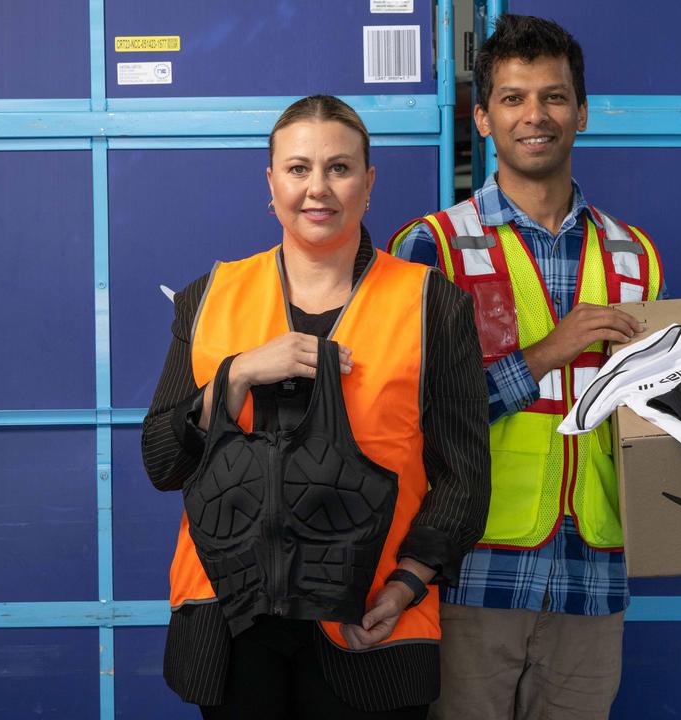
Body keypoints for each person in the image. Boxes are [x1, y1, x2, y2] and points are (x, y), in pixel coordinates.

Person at [142, 94, 490, 719]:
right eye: (298, 168)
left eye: (339, 167)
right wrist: (238, 374)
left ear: (368, 182)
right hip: (231, 627)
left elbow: (464, 471)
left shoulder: (432, 304)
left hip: (370, 619)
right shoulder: (207, 298)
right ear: (270, 183)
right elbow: (162, 460)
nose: (318, 188)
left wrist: (409, 583)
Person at [388, 14, 665, 720]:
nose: (534, 115)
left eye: (554, 96)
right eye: (512, 98)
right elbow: (407, 417)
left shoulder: (636, 255)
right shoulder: (433, 247)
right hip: (472, 571)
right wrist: (545, 355)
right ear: (481, 118)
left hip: (594, 574)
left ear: (582, 112)